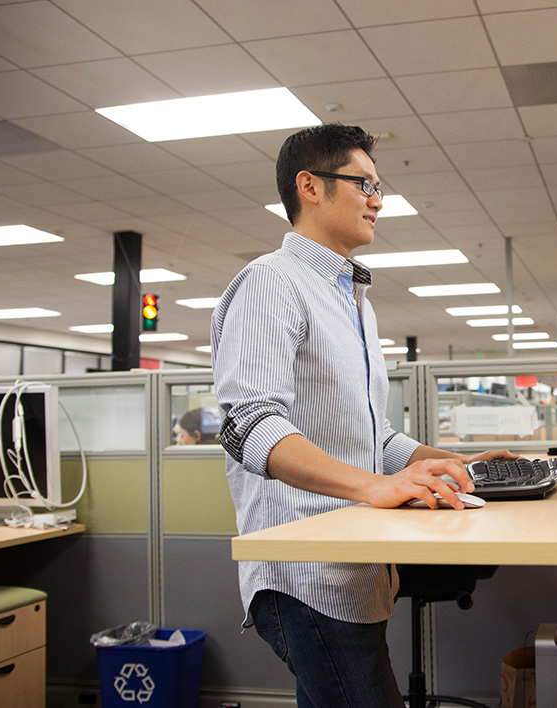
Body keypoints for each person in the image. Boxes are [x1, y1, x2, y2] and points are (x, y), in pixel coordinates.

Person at [211, 123, 518, 708]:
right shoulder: (270, 285)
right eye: (363, 183)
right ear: (310, 186)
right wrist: (377, 487)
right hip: (306, 573)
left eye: (380, 187)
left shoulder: (351, 299)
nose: (378, 200)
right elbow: (250, 426)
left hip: (354, 566)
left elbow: (373, 441)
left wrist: (454, 463)